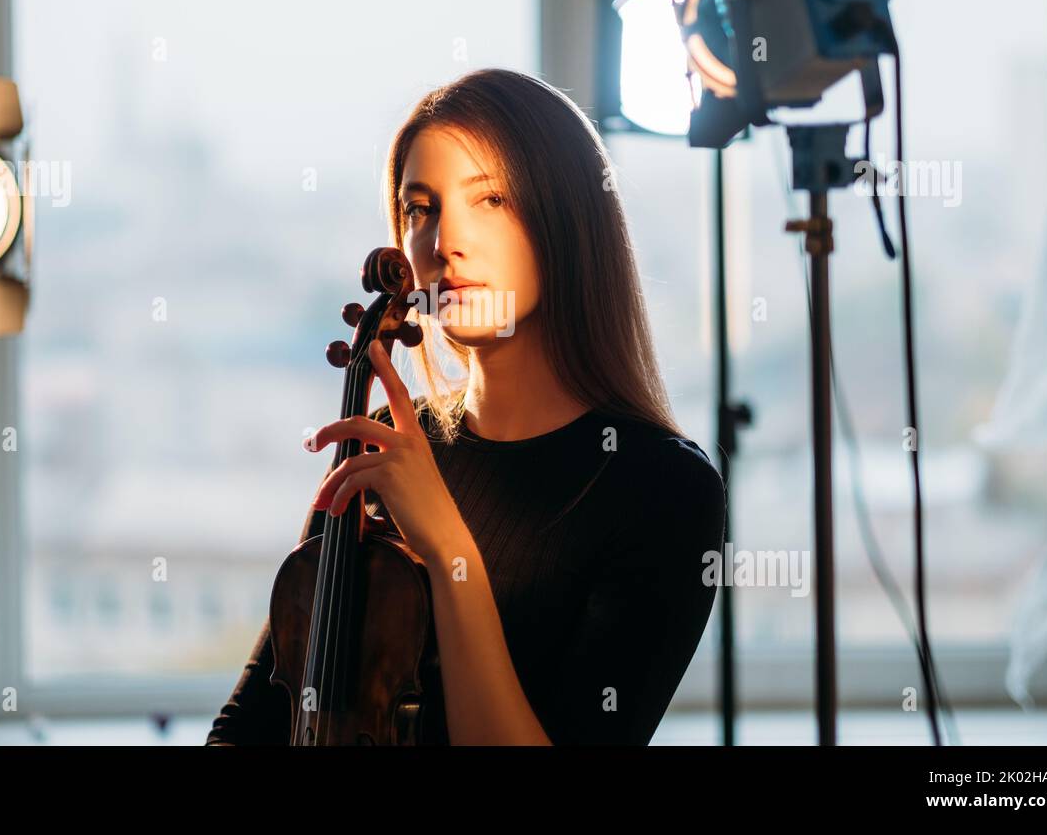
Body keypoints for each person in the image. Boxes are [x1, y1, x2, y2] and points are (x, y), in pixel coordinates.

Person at [207, 68, 726, 745]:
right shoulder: (392, 448)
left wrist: (448, 548)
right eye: (420, 208)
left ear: (568, 219)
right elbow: (245, 731)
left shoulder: (665, 492)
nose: (443, 239)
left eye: (491, 200)